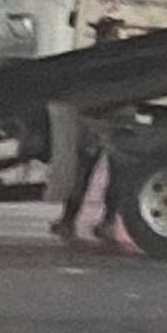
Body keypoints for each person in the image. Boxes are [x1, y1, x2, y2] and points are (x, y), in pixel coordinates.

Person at [47, 16, 127, 242]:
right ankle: (106, 223)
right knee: (114, 177)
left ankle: (69, 221)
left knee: (83, 174)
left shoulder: (91, 59)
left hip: (94, 124)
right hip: (115, 123)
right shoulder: (125, 59)